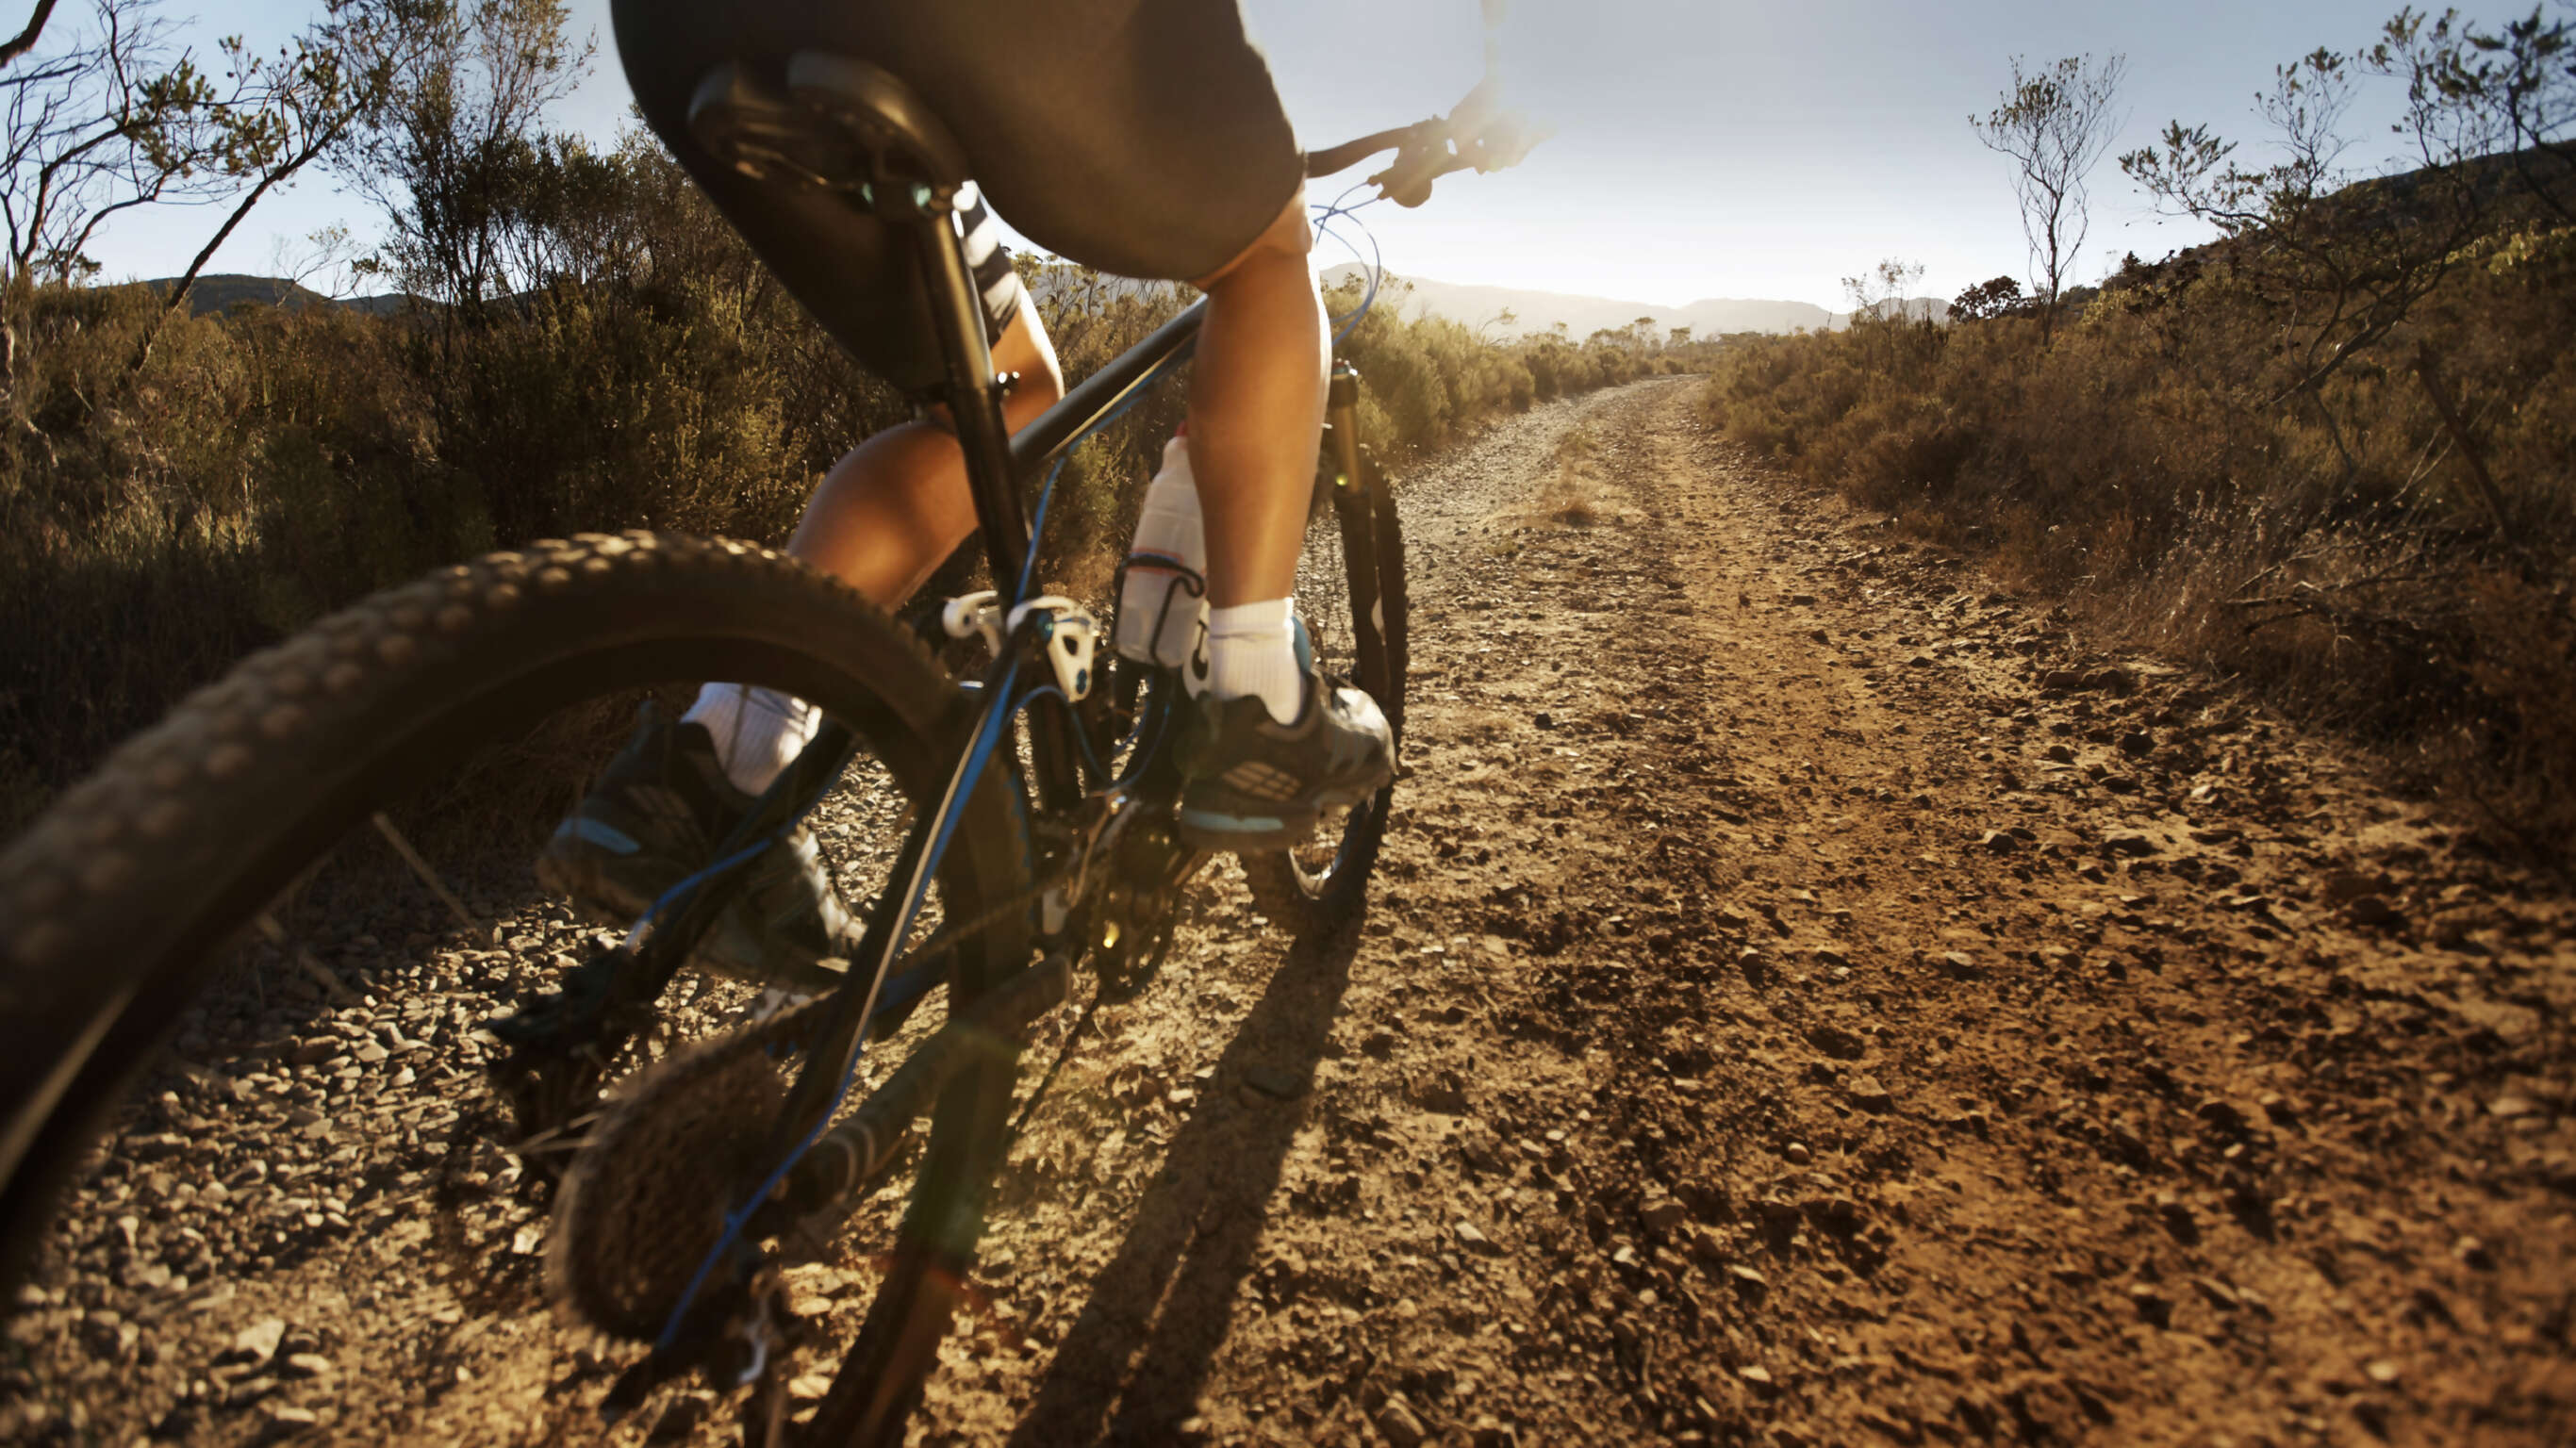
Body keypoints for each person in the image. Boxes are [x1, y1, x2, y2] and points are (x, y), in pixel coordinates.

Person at [535, 0, 1396, 979]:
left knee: (1011, 395)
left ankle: (727, 752)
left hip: (679, 29)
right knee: (1265, 253)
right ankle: (1257, 698)